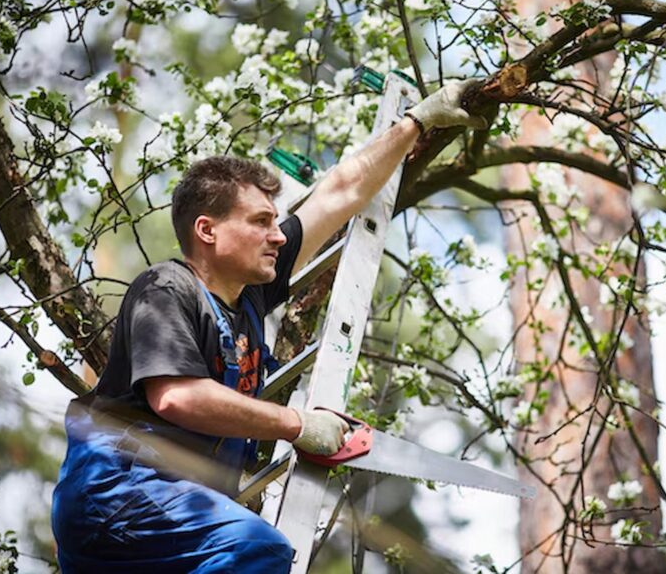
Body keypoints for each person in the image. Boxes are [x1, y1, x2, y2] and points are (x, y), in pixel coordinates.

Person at [50, 79, 487, 573]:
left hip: (164, 511)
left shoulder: (250, 295)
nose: (278, 235)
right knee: (258, 549)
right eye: (260, 222)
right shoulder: (168, 288)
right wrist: (299, 426)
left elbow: (340, 192)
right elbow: (177, 397)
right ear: (207, 230)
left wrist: (417, 122)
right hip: (119, 493)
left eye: (277, 222)